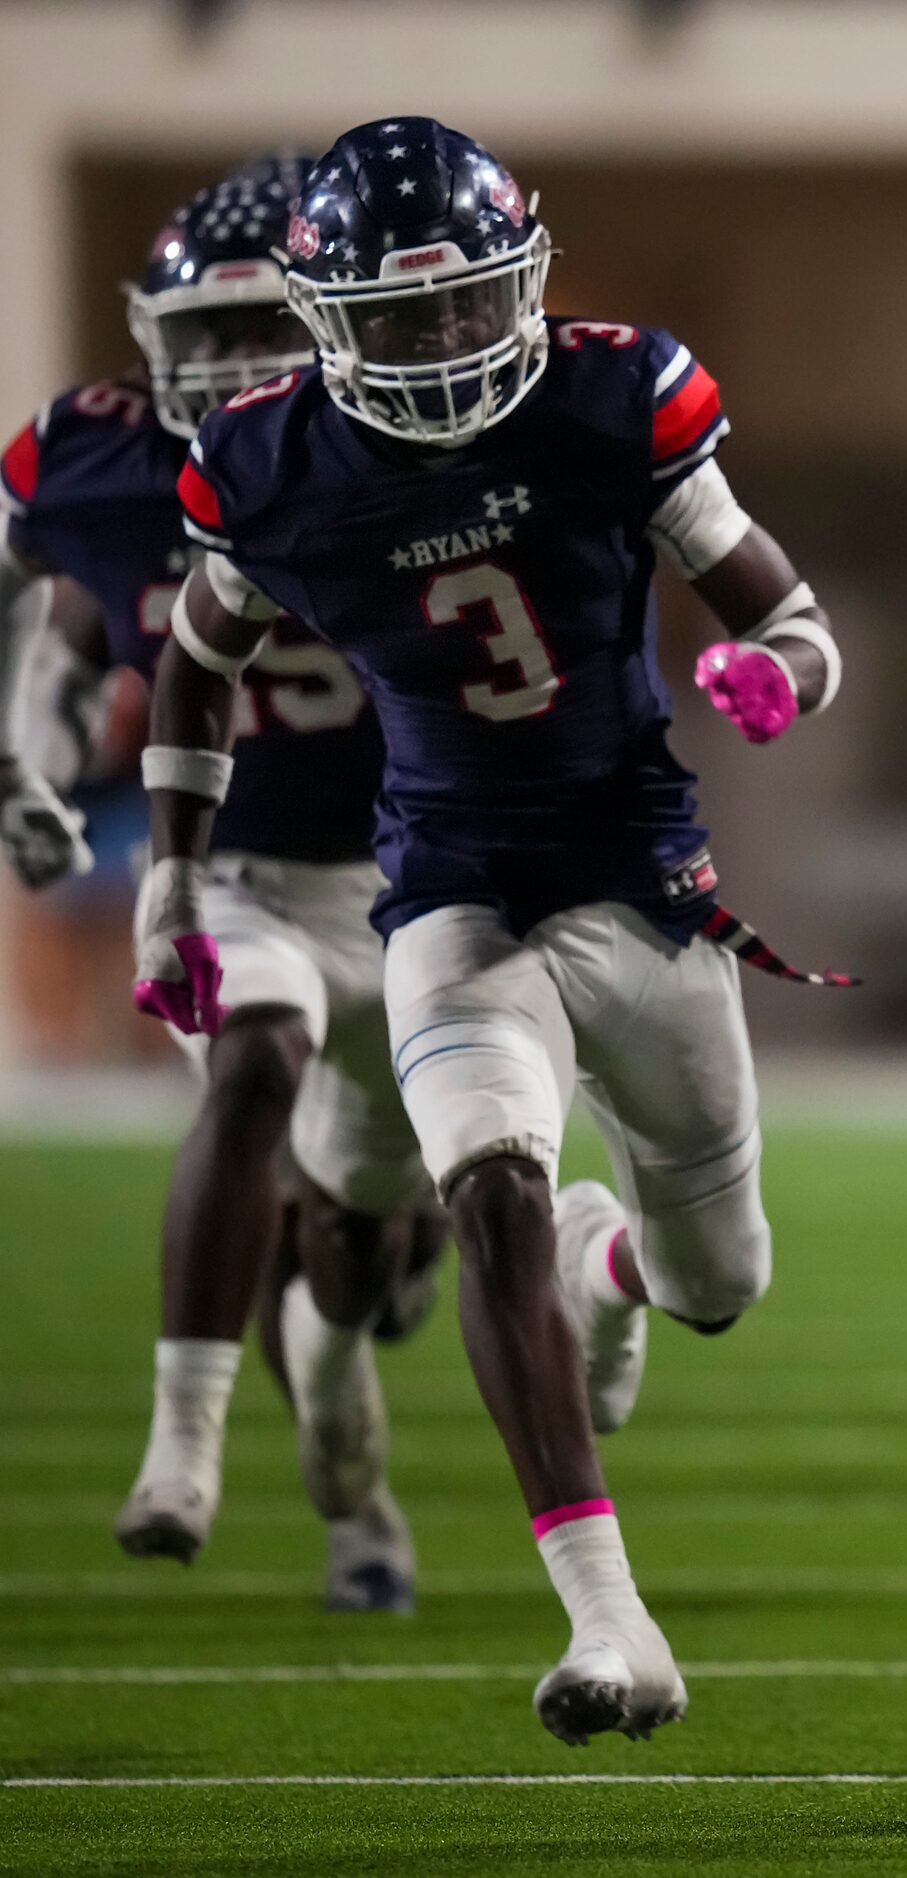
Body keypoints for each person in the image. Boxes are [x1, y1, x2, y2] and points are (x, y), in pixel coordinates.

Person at [146, 118, 847, 1743]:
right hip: (449, 896)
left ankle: (623, 1269)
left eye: (466, 304)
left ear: (523, 284)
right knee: (489, 1186)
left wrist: (773, 678)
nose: (444, 342)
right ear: (325, 320)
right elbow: (194, 655)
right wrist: (175, 869)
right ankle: (612, 1626)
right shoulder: (271, 460)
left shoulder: (618, 402)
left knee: (714, 1277)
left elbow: (787, 616)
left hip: (640, 890)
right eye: (399, 319)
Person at [0, 155, 443, 1612]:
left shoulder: (409, 450)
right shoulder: (96, 458)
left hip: (424, 876)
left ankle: (352, 1393)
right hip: (235, 866)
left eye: (264, 336)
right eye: (204, 338)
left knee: (357, 1248)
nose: (231, 371)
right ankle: (228, 1455)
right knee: (253, 1076)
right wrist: (34, 746)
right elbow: (53, 599)